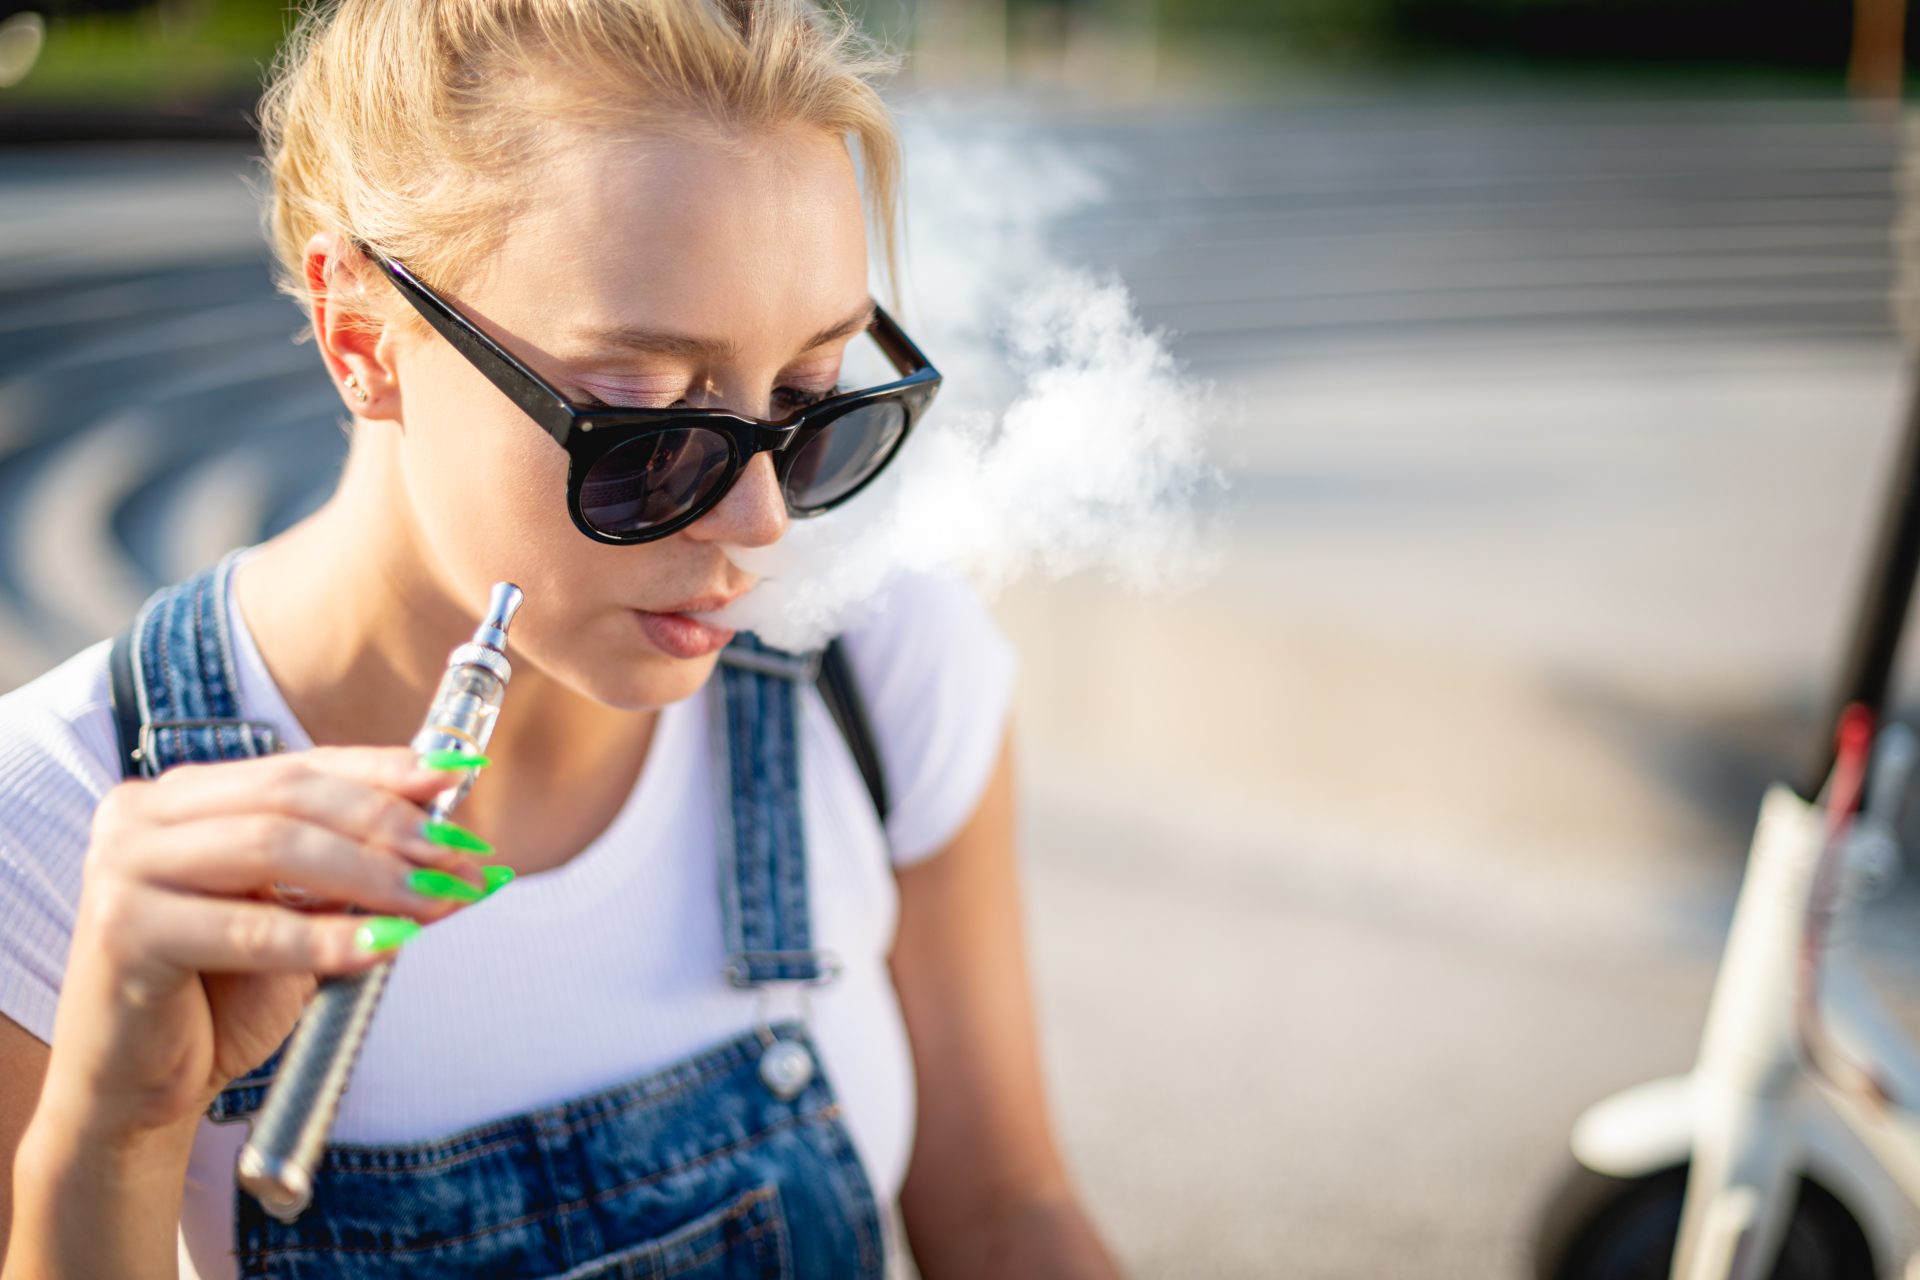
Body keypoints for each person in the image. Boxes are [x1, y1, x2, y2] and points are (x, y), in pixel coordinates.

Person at [0, 1, 1123, 1276]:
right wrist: (113, 1135)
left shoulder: (876, 667)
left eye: (811, 401)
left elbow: (1004, 1214)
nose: (760, 528)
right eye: (646, 419)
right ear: (359, 329)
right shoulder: (47, 830)